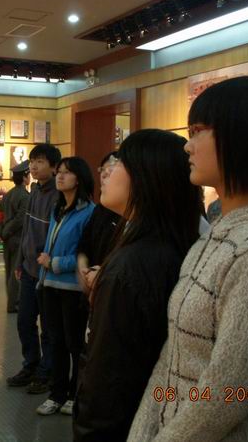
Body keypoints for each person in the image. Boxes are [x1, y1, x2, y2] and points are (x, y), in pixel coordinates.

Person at [128, 76, 248, 442]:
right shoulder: (216, 234)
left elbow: (227, 393)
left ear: (241, 136)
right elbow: (172, 359)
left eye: (198, 132)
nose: (187, 146)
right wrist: (142, 433)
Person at [73, 129, 202, 441]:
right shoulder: (173, 245)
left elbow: (108, 380)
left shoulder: (133, 265)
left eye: (119, 164)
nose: (107, 173)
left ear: (146, 177)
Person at [35, 157, 95, 417]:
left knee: (74, 344)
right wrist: (43, 272)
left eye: (66, 173)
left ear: (79, 178)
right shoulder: (57, 208)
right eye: (59, 172)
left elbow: (87, 254)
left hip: (72, 289)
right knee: (55, 342)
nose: (60, 176)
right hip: (49, 285)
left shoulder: (89, 212)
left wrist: (55, 263)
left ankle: (75, 394)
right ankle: (56, 394)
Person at [7, 144, 61, 394]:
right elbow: (26, 230)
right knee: (24, 321)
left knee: (48, 327)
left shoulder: (58, 196)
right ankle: (31, 364)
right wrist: (20, 261)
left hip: (47, 272)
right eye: (32, 161)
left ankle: (46, 372)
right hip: (29, 269)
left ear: (54, 166)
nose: (34, 166)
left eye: (40, 161)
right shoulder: (34, 192)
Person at [76, 152, 121, 297]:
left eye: (111, 169)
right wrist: (82, 264)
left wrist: (103, 275)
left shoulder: (130, 217)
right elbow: (85, 242)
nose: (105, 174)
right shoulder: (100, 209)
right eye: (103, 169)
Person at [0, 160, 30, 313]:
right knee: (16, 271)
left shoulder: (7, 196)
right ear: (24, 177)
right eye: (28, 175)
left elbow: (0, 217)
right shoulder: (25, 196)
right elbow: (20, 220)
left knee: (9, 271)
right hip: (18, 238)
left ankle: (11, 302)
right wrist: (7, 232)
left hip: (7, 239)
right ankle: (14, 304)